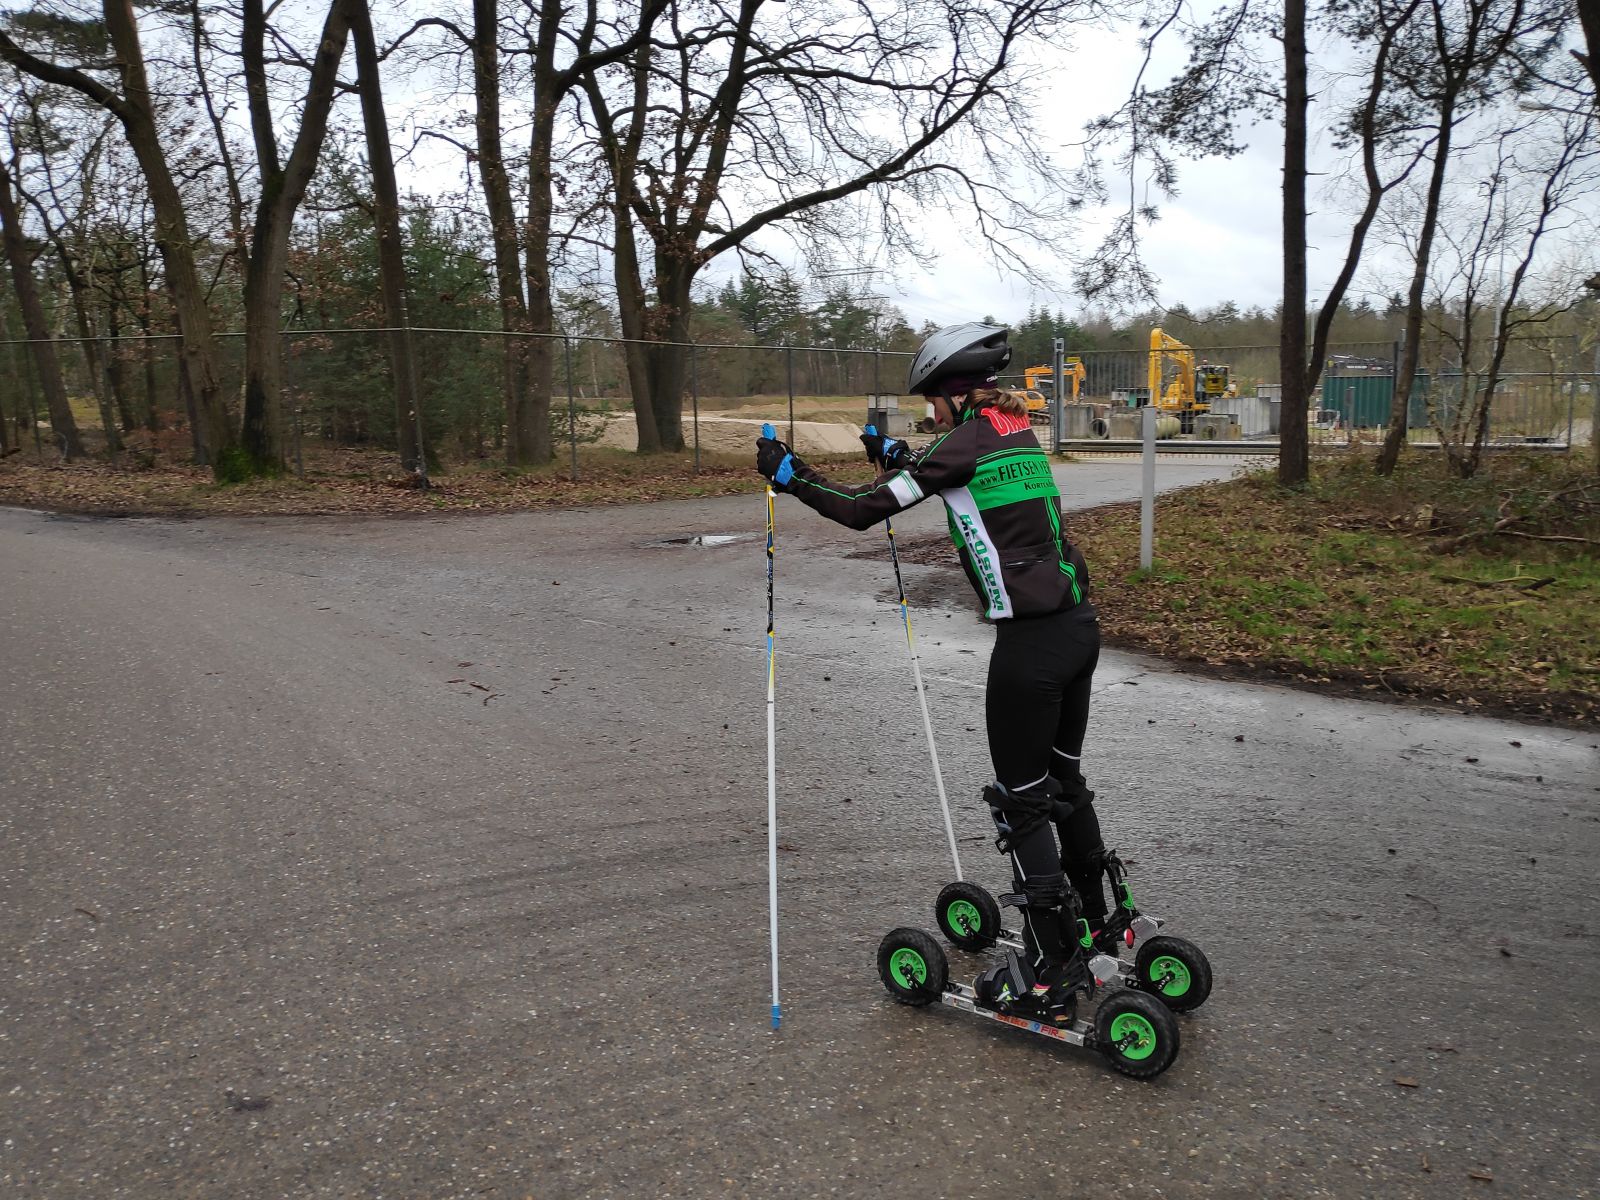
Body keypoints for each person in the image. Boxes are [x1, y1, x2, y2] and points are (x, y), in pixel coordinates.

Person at [755, 322, 1113, 1018]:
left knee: (1022, 801)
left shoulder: (961, 442)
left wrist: (793, 476)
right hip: (1079, 629)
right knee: (1064, 785)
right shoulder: (1014, 427)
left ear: (954, 395)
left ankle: (1054, 971)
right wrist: (899, 456)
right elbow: (957, 472)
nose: (929, 413)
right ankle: (1099, 923)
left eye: (931, 402)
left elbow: (863, 511)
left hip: (1030, 651)